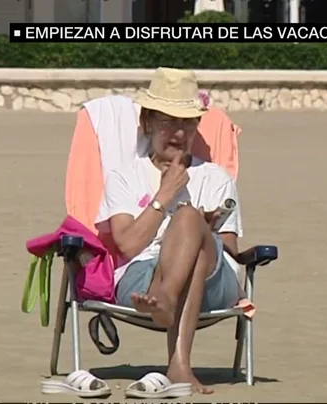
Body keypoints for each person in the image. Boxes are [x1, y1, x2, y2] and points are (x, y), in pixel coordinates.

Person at [95, 67, 244, 394]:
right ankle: (178, 365)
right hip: (141, 282)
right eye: (167, 122)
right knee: (186, 218)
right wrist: (164, 196)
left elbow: (231, 250)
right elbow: (128, 246)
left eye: (187, 122)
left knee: (190, 219)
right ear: (147, 123)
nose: (178, 132)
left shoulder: (217, 179)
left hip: (212, 283)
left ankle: (166, 297)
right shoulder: (124, 177)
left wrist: (204, 232)